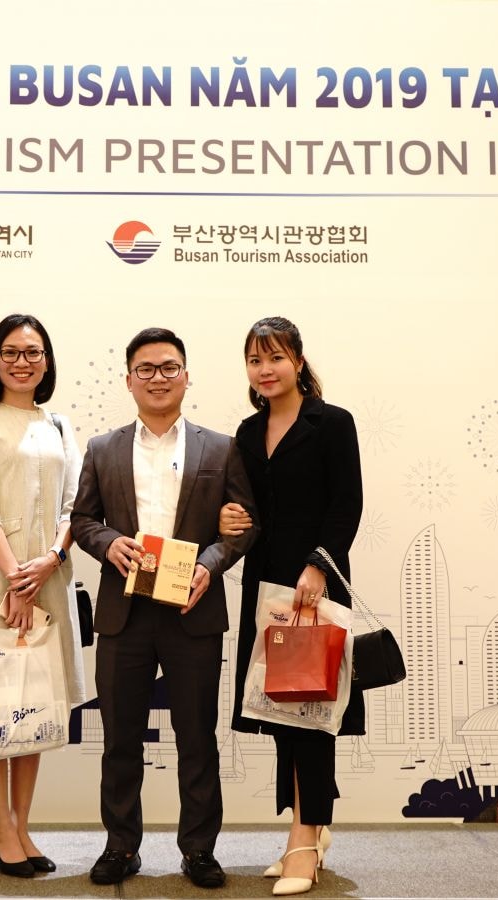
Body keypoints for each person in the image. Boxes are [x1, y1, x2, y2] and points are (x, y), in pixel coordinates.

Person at [70, 327, 258, 890]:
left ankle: (198, 850)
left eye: (169, 367)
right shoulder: (102, 448)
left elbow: (243, 524)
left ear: (186, 376)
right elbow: (83, 520)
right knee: (120, 740)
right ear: (129, 380)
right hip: (123, 612)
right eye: (146, 369)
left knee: (197, 738)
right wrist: (109, 543)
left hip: (191, 610)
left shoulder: (221, 447)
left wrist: (211, 564)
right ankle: (121, 846)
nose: (158, 377)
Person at [219, 316, 363, 897]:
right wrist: (228, 517)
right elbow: (247, 508)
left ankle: (304, 841)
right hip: (267, 586)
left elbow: (346, 505)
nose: (266, 369)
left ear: (298, 361)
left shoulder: (333, 423)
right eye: (255, 360)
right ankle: (309, 829)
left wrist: (318, 566)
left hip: (314, 586)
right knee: (283, 712)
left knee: (312, 715)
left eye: (276, 357)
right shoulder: (248, 431)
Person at [0, 314, 84, 878]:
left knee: (34, 704)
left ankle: (22, 825)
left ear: (47, 361)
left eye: (33, 352)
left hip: (49, 577)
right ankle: (1, 827)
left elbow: (75, 506)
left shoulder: (59, 424)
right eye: (10, 352)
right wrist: (16, 578)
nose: (22, 362)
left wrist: (49, 560)